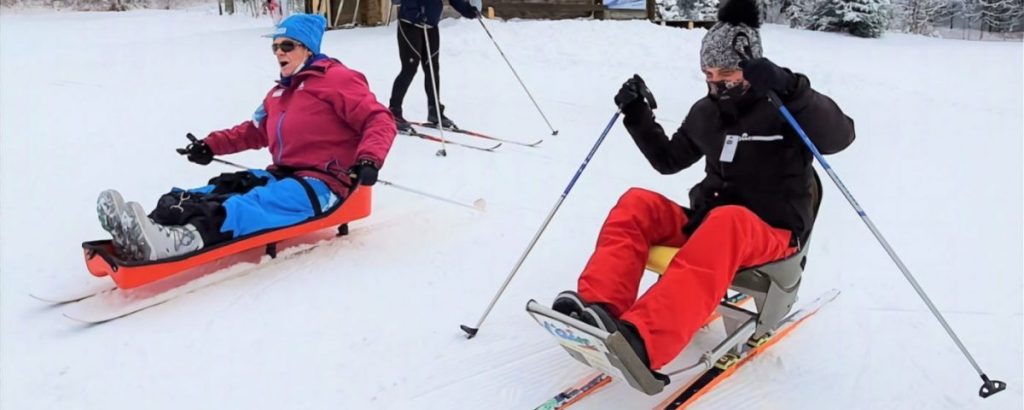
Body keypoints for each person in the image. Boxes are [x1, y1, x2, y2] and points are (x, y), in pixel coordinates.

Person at [550, 0, 855, 379]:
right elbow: (668, 160)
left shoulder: (783, 106)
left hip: (773, 230)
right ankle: (599, 310)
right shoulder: (706, 111)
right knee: (636, 204)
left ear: (753, 68)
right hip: (711, 221)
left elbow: (840, 136)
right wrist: (638, 115)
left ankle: (644, 340)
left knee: (727, 222)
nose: (716, 83)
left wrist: (791, 88)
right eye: (708, 74)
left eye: (727, 73)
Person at [96, 14, 396, 262]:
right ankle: (149, 226)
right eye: (275, 47)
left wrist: (369, 159)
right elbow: (254, 131)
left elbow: (378, 118)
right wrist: (210, 144)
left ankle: (180, 241)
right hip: (282, 175)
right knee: (217, 188)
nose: (279, 52)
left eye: (287, 45)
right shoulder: (279, 93)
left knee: (248, 206)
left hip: (323, 184)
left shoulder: (337, 80)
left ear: (308, 49)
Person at [388, 0, 480, 132]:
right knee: (410, 68)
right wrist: (416, 13)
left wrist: (468, 10)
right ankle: (394, 111)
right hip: (410, 24)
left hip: (431, 25)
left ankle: (435, 110)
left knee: (432, 68)